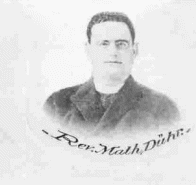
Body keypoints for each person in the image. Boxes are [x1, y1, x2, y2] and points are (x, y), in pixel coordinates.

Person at [43, 12, 180, 136]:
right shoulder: (57, 103)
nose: (113, 52)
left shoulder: (162, 107)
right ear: (89, 50)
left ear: (134, 50)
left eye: (121, 44)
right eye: (104, 44)